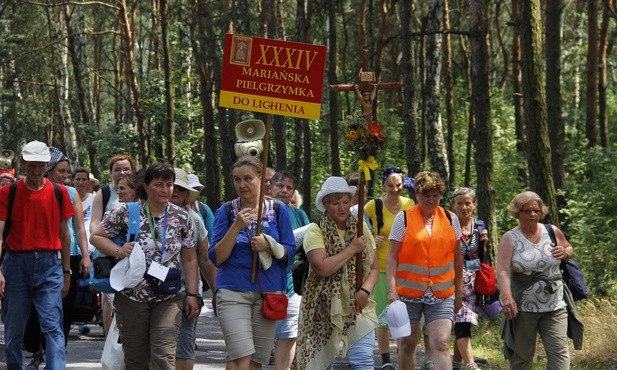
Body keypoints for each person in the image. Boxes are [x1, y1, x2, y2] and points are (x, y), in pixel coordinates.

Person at [90, 162, 200, 369]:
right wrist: (118, 250)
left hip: (169, 295)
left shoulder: (182, 217)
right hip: (132, 295)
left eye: (169, 185)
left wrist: (192, 295)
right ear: (147, 187)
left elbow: (190, 258)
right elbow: (96, 236)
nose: (165, 190)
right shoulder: (128, 212)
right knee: (135, 360)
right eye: (159, 184)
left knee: (163, 356)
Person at [209, 156, 295, 370]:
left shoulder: (278, 210)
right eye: (237, 180)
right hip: (232, 291)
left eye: (248, 178)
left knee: (256, 361)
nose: (242, 185)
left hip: (269, 293)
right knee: (239, 357)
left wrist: (270, 245)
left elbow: (290, 252)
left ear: (261, 180)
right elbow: (216, 257)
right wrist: (236, 226)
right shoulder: (227, 211)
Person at [0, 140, 75, 369]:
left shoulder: (59, 192)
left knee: (53, 326)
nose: (35, 171)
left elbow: (65, 235)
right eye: (31, 165)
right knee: (14, 330)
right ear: (22, 163)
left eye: (40, 166)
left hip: (49, 264)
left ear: (46, 165)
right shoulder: (8, 192)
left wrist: (66, 270)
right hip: (16, 263)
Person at [296, 176, 379, 370]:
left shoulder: (361, 229)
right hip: (323, 306)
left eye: (345, 202)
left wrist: (364, 291)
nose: (341, 207)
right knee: (323, 363)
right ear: (325, 205)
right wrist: (351, 249)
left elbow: (375, 268)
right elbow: (322, 268)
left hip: (359, 304)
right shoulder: (315, 231)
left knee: (363, 359)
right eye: (335, 203)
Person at [22, 147, 92, 369]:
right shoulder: (29, 191)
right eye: (61, 171)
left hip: (68, 255)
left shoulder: (70, 193)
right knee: (35, 308)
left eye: (67, 171)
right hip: (39, 253)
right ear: (47, 169)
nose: (65, 175)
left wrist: (85, 255)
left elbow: (79, 227)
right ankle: (35, 350)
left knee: (63, 308)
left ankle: (57, 352)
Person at [385, 171, 463, 370]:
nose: (430, 199)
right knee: (407, 344)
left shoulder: (450, 218)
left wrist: (459, 293)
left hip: (442, 293)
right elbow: (392, 258)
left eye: (435, 195)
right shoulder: (403, 219)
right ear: (416, 195)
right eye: (425, 195)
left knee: (441, 343)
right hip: (408, 294)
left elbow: (457, 259)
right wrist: (392, 290)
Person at [497, 191, 582, 370]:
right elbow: (503, 271)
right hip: (523, 307)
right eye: (527, 211)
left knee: (560, 355)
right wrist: (506, 298)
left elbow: (568, 247)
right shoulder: (509, 238)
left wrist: (565, 252)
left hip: (555, 305)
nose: (533, 214)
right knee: (522, 357)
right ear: (517, 213)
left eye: (536, 210)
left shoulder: (551, 230)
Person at [364, 166, 415, 370]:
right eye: (390, 185)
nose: (395, 189)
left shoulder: (410, 204)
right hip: (382, 267)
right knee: (383, 316)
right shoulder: (373, 206)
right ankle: (385, 360)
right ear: (383, 185)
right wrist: (370, 238)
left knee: (405, 314)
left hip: (406, 267)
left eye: (399, 185)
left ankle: (401, 352)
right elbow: (356, 224)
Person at [171, 168, 217, 370]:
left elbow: (205, 259)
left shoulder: (194, 219)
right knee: (153, 349)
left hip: (186, 292)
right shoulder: (143, 215)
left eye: (180, 189)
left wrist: (217, 292)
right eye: (170, 186)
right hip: (148, 295)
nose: (173, 192)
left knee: (184, 346)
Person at [89, 154, 136, 336]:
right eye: (117, 169)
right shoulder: (105, 193)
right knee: (111, 298)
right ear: (110, 173)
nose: (121, 172)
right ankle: (110, 339)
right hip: (109, 253)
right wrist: (102, 238)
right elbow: (95, 222)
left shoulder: (140, 193)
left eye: (126, 169)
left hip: (133, 253)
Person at [270, 171, 310, 370]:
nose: (284, 190)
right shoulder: (262, 211)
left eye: (289, 187)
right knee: (260, 338)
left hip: (292, 284)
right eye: (280, 186)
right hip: (264, 283)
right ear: (270, 187)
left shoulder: (299, 214)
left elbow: (309, 244)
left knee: (288, 336)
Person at [451, 187, 488, 370]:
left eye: (467, 203)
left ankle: (456, 365)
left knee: (464, 323)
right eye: (459, 203)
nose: (464, 207)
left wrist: (484, 244)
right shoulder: (448, 225)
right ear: (453, 205)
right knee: (462, 323)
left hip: (472, 284)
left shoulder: (479, 226)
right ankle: (471, 366)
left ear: (474, 205)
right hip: (451, 281)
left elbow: (480, 257)